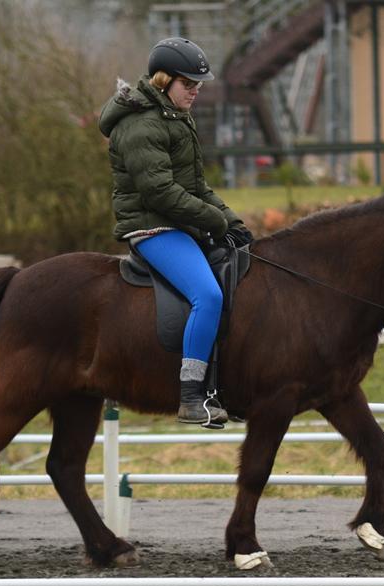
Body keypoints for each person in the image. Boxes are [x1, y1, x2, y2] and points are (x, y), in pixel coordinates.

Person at [99, 37, 254, 426]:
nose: (196, 90)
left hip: (179, 223)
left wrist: (232, 222)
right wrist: (214, 222)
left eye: (199, 84)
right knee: (207, 294)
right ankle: (190, 396)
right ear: (164, 80)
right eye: (190, 84)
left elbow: (197, 188)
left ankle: (226, 386)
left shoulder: (174, 116)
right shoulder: (139, 125)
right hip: (153, 228)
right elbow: (161, 193)